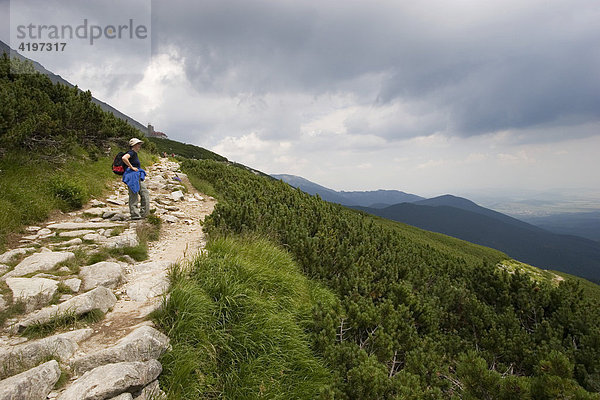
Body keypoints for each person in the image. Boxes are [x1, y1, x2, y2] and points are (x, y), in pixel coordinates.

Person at [121, 138, 150, 220]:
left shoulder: (134, 153)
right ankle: (136, 215)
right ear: (134, 145)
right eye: (138, 144)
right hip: (133, 176)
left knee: (144, 193)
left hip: (135, 176)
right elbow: (124, 158)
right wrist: (132, 167)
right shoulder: (131, 152)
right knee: (135, 195)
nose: (139, 146)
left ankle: (143, 214)